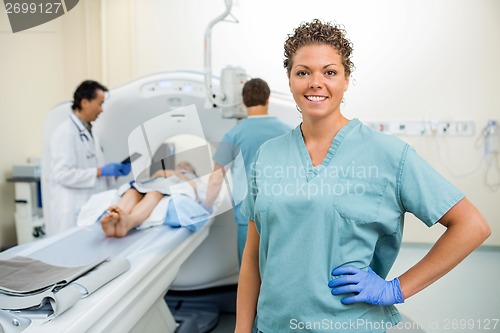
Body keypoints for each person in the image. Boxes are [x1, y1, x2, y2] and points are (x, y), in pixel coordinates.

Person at [235, 19, 491, 333]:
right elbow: (252, 256)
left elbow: (472, 226)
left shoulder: (387, 154)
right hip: (273, 326)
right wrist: (242, 329)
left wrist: (396, 288)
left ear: (346, 80)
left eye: (329, 72)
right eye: (303, 72)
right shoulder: (268, 155)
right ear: (289, 80)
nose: (316, 82)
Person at [204, 78, 292, 265]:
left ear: (244, 101)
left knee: (249, 273)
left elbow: (216, 179)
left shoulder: (234, 135)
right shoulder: (288, 132)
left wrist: (206, 206)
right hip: (282, 214)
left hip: (247, 214)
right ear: (268, 99)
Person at [47, 80, 131, 236]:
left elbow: (94, 168)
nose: (102, 110)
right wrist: (100, 171)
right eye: (99, 104)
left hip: (90, 205)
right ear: (85, 102)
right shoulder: (65, 133)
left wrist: (113, 173)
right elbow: (62, 174)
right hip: (71, 208)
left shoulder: (92, 133)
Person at [101, 161, 206, 237]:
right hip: (153, 183)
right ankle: (115, 219)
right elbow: (151, 178)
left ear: (193, 172)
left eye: (186, 166)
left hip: (165, 186)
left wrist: (180, 174)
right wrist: (161, 173)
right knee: (133, 191)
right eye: (179, 165)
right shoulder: (166, 171)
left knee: (154, 192)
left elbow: (199, 191)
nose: (182, 166)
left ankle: (129, 221)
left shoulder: (192, 177)